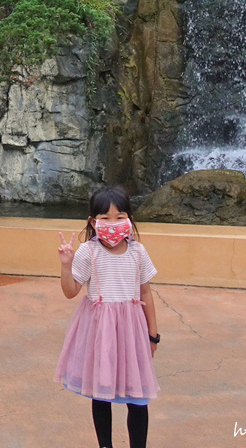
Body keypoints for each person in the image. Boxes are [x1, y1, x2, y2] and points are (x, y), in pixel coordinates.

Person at [56, 187, 160, 448]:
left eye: (119, 217)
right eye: (105, 218)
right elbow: (71, 292)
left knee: (138, 395)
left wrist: (153, 335)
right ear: (93, 221)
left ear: (130, 220)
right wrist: (66, 265)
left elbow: (145, 291)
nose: (112, 224)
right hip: (100, 331)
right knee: (101, 393)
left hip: (132, 330)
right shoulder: (88, 252)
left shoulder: (138, 252)